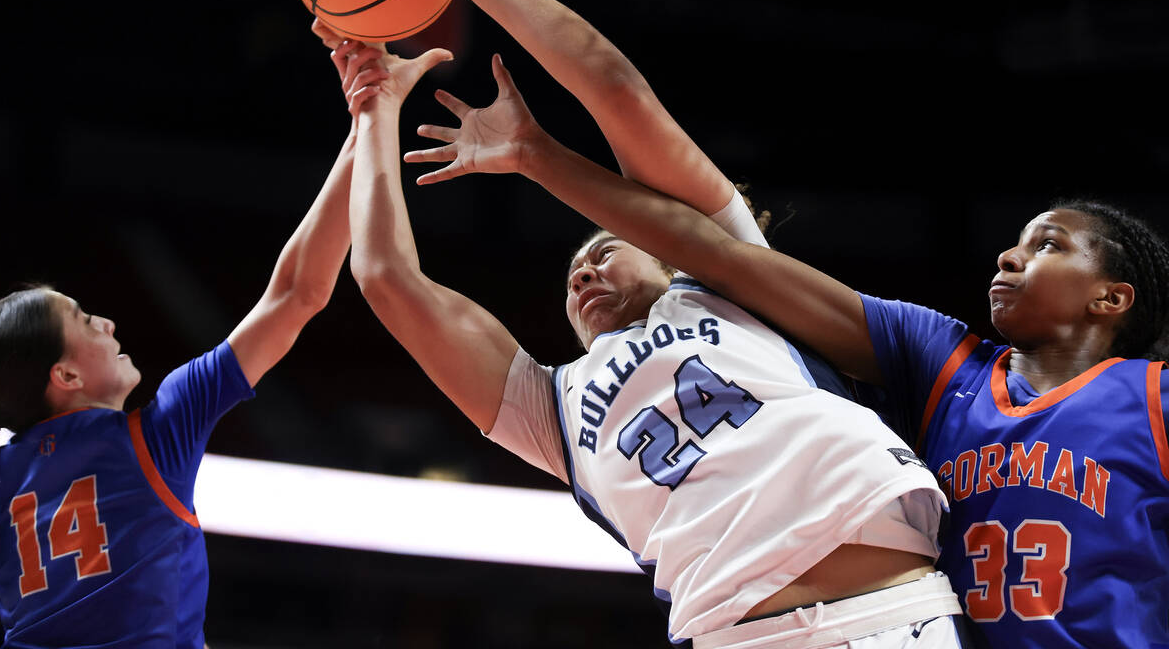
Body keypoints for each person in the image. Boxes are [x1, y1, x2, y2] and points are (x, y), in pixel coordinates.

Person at [337, 0, 975, 648]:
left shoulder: (729, 276)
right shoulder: (553, 412)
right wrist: (372, 113)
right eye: (573, 274)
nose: (582, 272)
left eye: (603, 246)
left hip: (885, 613)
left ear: (667, 247)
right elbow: (388, 280)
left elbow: (616, 90)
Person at [403, 46, 1169, 648]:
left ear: (1112, 297)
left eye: (1047, 246)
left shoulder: (1151, 397)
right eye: (1015, 242)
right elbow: (710, 247)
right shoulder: (947, 367)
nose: (1008, 257)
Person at [0, 27, 379, 648]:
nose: (106, 323)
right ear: (66, 377)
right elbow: (298, 293)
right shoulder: (156, 432)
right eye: (83, 320)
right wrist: (368, 122)